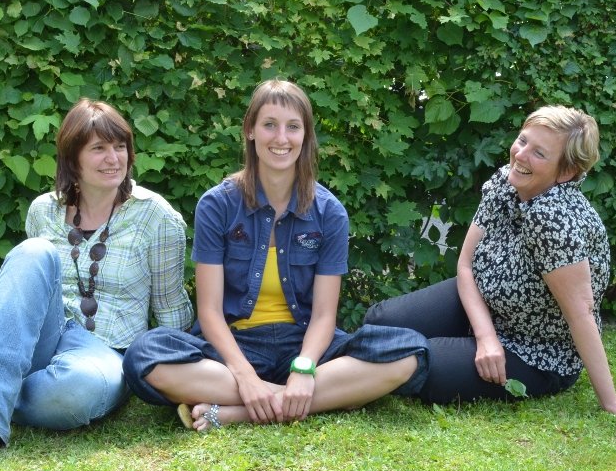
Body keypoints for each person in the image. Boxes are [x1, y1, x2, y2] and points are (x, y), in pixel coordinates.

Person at [122, 79, 429, 431]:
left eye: (293, 127)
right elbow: (209, 311)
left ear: (306, 135)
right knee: (144, 356)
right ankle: (297, 398)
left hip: (303, 342)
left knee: (409, 352)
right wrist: (245, 376)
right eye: (269, 124)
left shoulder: (329, 212)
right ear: (250, 130)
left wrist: (305, 367)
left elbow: (324, 315)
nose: (281, 138)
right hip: (234, 345)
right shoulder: (217, 205)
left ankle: (240, 411)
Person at [0, 98, 193, 471]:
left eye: (120, 146)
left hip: (105, 355)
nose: (114, 158)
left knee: (79, 391)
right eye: (99, 148)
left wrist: (185, 380)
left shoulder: (156, 216)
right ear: (72, 158)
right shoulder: (43, 210)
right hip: (46, 337)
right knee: (33, 252)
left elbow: (171, 307)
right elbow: (28, 292)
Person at [365, 105, 616, 422]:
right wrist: (485, 337)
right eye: (523, 141)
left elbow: (581, 314)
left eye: (539, 153)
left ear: (566, 172)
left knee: (415, 359)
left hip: (535, 350)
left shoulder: (554, 220)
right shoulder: (506, 181)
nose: (521, 155)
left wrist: (612, 403)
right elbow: (465, 266)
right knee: (379, 322)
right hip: (486, 304)